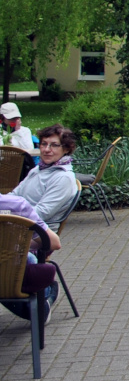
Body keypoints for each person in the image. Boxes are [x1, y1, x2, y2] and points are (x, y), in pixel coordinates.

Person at [0, 190, 62, 322]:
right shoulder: (15, 205)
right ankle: (45, 301)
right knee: (27, 259)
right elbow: (54, 243)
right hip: (7, 279)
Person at [12, 124, 79, 231]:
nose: (47, 149)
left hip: (36, 233)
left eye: (54, 145)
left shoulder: (63, 177)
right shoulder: (38, 169)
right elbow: (14, 195)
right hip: (17, 226)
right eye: (44, 144)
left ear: (66, 149)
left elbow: (41, 213)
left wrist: (8, 214)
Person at [0, 101, 38, 176]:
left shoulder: (25, 131)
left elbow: (29, 151)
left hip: (20, 167)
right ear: (3, 118)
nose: (14, 121)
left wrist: (18, 132)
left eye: (16, 118)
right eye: (11, 118)